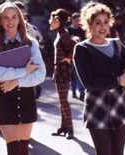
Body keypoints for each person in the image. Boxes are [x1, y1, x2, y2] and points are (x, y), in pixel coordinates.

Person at [73, 2, 125, 155]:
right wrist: (118, 81)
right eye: (97, 22)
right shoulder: (82, 49)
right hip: (97, 108)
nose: (102, 27)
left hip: (120, 105)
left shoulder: (116, 44)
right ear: (88, 25)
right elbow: (89, 83)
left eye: (105, 22)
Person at [0, 2, 46, 155]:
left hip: (27, 99)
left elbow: (40, 74)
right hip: (5, 100)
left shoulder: (31, 43)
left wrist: (17, 82)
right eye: (6, 18)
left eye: (14, 17)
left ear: (20, 19)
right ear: (0, 21)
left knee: (23, 150)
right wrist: (25, 71)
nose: (10, 22)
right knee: (13, 150)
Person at [48, 8, 76, 139]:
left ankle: (70, 129)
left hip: (63, 70)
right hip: (59, 70)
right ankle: (63, 127)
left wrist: (69, 58)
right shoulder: (60, 33)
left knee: (64, 101)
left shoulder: (64, 34)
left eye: (51, 19)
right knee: (61, 100)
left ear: (57, 20)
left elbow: (76, 46)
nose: (49, 21)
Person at [67, 12, 86, 101]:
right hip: (70, 55)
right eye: (76, 20)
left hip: (80, 56)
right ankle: (73, 91)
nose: (78, 22)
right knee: (72, 76)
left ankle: (82, 92)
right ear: (72, 20)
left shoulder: (82, 30)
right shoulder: (68, 30)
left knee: (79, 75)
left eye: (79, 20)